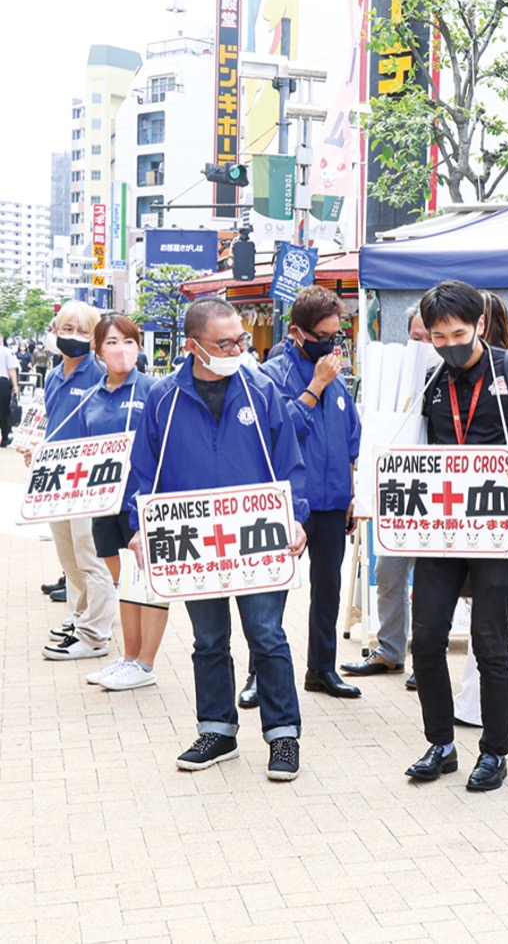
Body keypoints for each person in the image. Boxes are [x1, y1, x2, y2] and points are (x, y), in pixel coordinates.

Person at [128, 299, 309, 781]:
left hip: (256, 536)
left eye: (241, 340)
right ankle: (217, 729)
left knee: (266, 634)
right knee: (208, 639)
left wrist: (296, 518)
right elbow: (143, 471)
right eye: (224, 343)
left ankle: (283, 733)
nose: (237, 350)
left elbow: (289, 462)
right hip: (194, 542)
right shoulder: (164, 398)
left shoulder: (261, 390)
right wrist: (139, 526)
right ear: (193, 346)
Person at [404, 280, 508, 791]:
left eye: (458, 334)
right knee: (427, 637)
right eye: (438, 337)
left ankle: (494, 752)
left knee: (490, 640)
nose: (449, 345)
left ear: (479, 325)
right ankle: (441, 744)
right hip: (442, 529)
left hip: (498, 528)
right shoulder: (432, 379)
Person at [260, 286, 362, 701]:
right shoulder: (272, 375)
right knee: (272, 592)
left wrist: (351, 493)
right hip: (289, 502)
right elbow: (278, 431)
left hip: (333, 501)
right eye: (323, 336)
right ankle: (259, 674)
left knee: (328, 591)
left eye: (336, 336)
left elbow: (351, 439)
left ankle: (321, 668)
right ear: (297, 332)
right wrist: (316, 384)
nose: (331, 345)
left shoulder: (338, 382)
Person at [342, 303, 430, 682]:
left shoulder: (454, 377)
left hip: (439, 496)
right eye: (416, 337)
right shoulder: (391, 376)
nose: (423, 345)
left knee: (431, 582)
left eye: (431, 337)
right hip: (399, 493)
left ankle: (426, 659)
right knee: (388, 571)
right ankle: (391, 650)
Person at [77, 314, 161, 690]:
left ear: (139, 347)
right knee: (126, 582)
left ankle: (146, 663)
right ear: (98, 350)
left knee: (147, 584)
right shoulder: (91, 397)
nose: (121, 350)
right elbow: (80, 451)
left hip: (143, 504)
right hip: (105, 504)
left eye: (128, 342)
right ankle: (129, 657)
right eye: (111, 342)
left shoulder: (153, 390)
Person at [37, 303, 110, 660]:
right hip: (55, 479)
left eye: (83, 331)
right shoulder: (53, 376)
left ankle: (96, 633)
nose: (74, 337)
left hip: (87, 480)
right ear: (55, 330)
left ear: (95, 338)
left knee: (89, 556)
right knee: (68, 556)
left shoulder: (100, 375)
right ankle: (78, 615)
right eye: (67, 328)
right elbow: (52, 423)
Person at [0, 336, 18, 446]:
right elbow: (11, 369)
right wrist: (15, 385)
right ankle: (5, 438)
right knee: (4, 410)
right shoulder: (6, 351)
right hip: (2, 383)